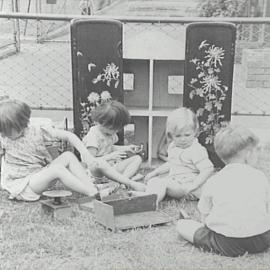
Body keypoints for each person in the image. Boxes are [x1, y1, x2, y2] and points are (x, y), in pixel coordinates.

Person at [0, 99, 145, 202]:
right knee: (57, 169)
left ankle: (92, 187)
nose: (6, 135)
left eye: (10, 131)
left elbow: (69, 135)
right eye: (3, 132)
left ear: (23, 123)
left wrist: (86, 155)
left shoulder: (37, 130)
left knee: (68, 155)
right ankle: (95, 193)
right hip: (22, 185)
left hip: (38, 175)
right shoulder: (3, 138)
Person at [176, 124, 270, 257]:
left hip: (227, 242)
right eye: (256, 151)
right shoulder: (260, 176)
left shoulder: (215, 180)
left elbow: (204, 214)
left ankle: (185, 223)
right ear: (248, 155)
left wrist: (207, 227)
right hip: (262, 239)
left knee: (182, 226)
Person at [133, 107, 214, 203]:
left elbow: (208, 169)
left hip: (189, 186)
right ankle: (149, 195)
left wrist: (194, 185)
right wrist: (155, 172)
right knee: (155, 180)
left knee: (162, 183)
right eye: (178, 136)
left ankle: (151, 200)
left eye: (187, 135)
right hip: (176, 183)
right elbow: (171, 163)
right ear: (171, 135)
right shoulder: (174, 147)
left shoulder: (196, 150)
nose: (183, 139)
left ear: (195, 131)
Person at [83, 100, 143, 181]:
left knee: (137, 159)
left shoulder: (109, 133)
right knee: (100, 165)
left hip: (111, 167)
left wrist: (127, 148)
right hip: (97, 171)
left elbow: (110, 147)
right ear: (101, 123)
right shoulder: (93, 136)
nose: (116, 131)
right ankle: (124, 180)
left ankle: (124, 180)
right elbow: (90, 162)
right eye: (114, 129)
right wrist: (110, 157)